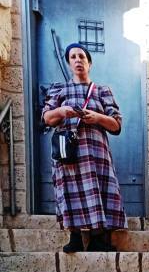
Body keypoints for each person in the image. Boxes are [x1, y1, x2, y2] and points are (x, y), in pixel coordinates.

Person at [42, 43, 126, 252]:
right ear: (69, 63)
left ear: (89, 62)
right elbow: (47, 118)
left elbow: (116, 125)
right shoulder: (59, 90)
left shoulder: (102, 90)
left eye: (82, 56)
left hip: (97, 153)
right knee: (70, 190)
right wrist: (62, 111)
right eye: (73, 57)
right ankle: (76, 237)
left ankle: (98, 238)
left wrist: (97, 117)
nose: (78, 60)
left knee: (101, 189)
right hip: (69, 153)